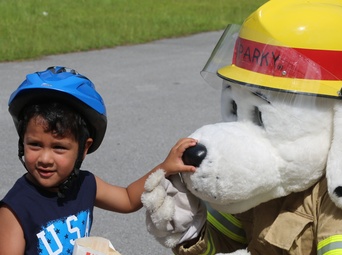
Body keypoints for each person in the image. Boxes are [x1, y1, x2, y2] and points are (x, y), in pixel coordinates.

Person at [0, 66, 197, 255]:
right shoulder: (15, 209)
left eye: (59, 147)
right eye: (34, 145)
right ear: (22, 142)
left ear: (84, 148)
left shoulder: (85, 184)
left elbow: (127, 199)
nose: (44, 158)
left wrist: (164, 168)